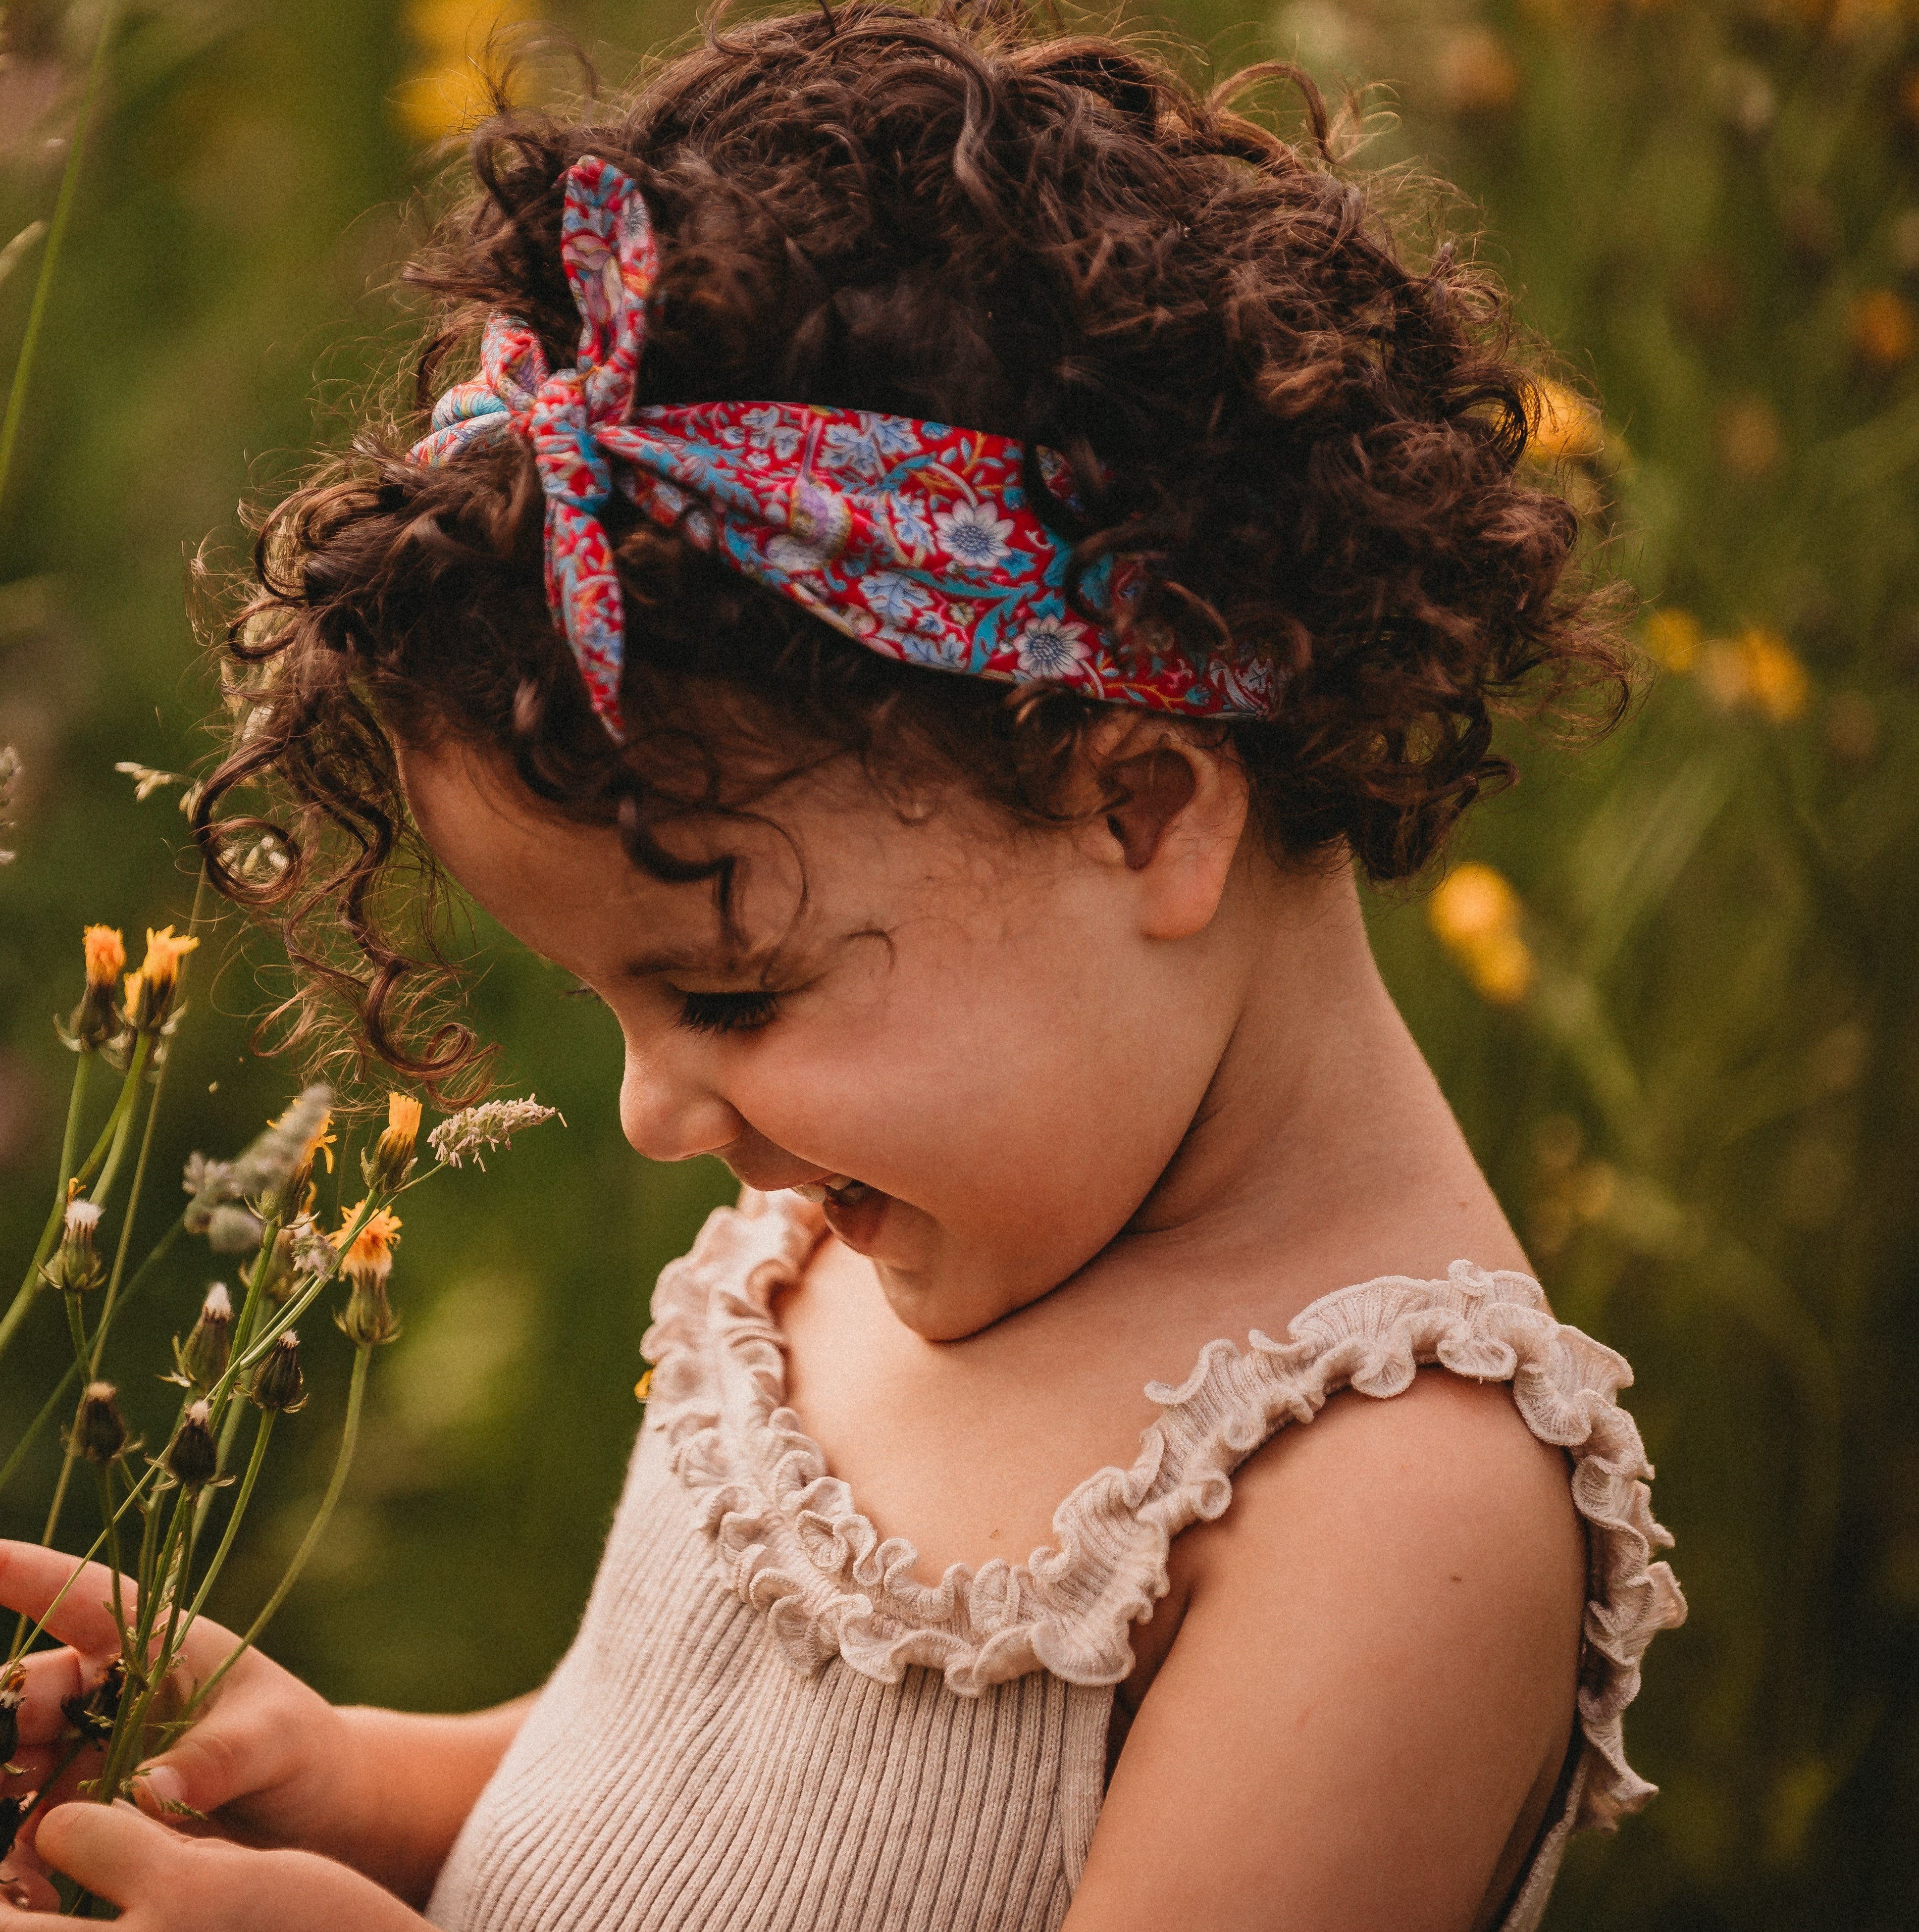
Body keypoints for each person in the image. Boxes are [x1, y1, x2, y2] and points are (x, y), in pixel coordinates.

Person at [0, 5, 1686, 1925]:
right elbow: (682, 1809)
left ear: (1140, 809)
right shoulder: (882, 1229)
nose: (650, 1112)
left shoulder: (1390, 1512)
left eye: (729, 993)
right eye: (610, 1002)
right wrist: (344, 1787)